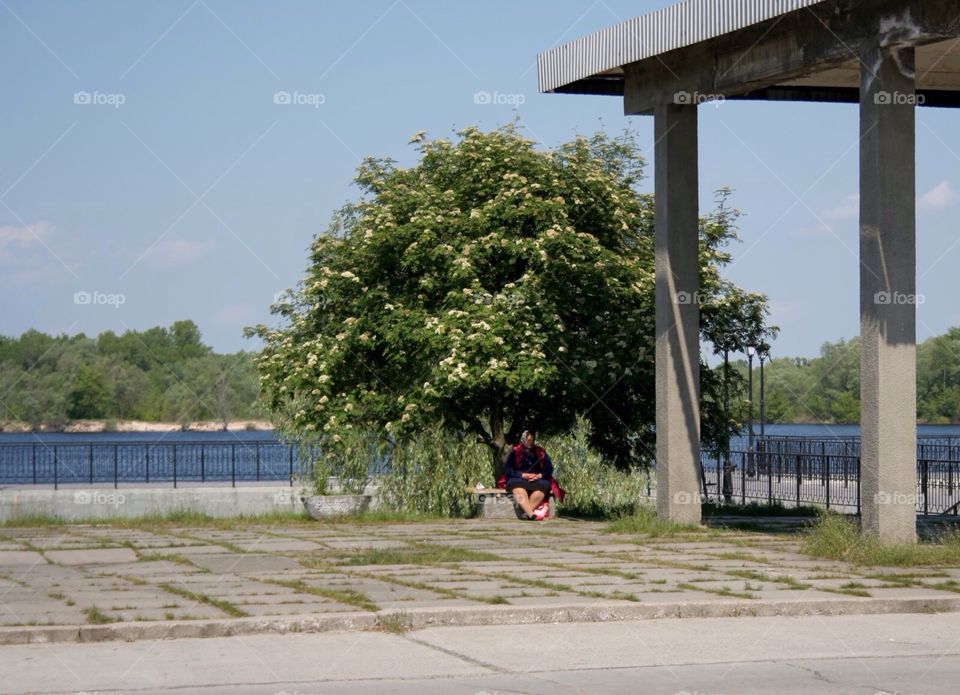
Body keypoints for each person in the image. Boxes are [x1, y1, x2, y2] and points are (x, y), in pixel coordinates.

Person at [503, 430, 553, 520]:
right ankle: (531, 514)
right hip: (519, 479)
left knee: (545, 484)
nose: (530, 443)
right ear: (523, 439)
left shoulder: (540, 452)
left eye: (532, 440)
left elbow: (549, 469)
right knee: (516, 485)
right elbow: (508, 469)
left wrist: (539, 476)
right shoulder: (515, 451)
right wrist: (523, 475)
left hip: (536, 480)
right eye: (528, 440)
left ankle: (527, 513)